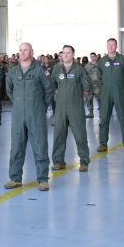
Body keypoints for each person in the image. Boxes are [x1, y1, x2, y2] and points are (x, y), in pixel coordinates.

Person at [5, 42, 55, 191]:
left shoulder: (40, 70)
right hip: (18, 114)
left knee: (39, 145)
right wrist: (19, 103)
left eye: (25, 50)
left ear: (32, 52)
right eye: (20, 50)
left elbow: (49, 90)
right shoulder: (13, 72)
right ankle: (15, 178)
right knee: (16, 147)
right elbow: (10, 91)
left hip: (36, 114)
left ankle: (43, 179)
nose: (22, 52)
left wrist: (41, 107)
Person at [50, 44, 92, 172]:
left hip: (75, 107)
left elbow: (86, 87)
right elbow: (53, 84)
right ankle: (58, 161)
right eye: (64, 53)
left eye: (68, 53)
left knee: (80, 135)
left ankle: (84, 162)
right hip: (61, 107)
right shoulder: (57, 70)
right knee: (59, 135)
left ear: (73, 55)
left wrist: (75, 96)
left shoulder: (79, 70)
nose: (65, 55)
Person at [97, 38, 124, 153]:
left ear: (116, 46)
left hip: (120, 92)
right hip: (106, 93)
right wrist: (105, 86)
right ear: (107, 46)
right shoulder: (102, 61)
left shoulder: (123, 59)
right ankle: (103, 143)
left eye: (113, 45)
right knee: (104, 118)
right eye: (109, 45)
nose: (111, 47)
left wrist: (122, 87)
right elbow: (99, 77)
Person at [85, 52, 101, 118]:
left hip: (98, 85)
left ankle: (101, 113)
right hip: (90, 86)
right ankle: (91, 112)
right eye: (91, 56)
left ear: (96, 57)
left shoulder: (100, 65)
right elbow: (84, 75)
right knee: (89, 99)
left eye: (93, 56)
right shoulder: (87, 66)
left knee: (100, 99)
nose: (92, 58)